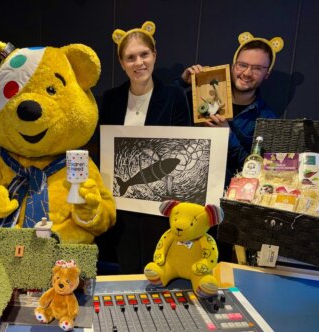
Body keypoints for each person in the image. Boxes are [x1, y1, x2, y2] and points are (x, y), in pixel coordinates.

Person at [96, 21, 192, 274]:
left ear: (154, 56)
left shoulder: (174, 96)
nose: (138, 62)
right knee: (125, 264)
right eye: (130, 57)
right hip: (121, 204)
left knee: (157, 266)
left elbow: (183, 149)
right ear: (121, 63)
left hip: (159, 206)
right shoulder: (111, 98)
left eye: (144, 55)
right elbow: (103, 147)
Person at [177, 32, 284, 186]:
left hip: (224, 196)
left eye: (257, 68)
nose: (247, 73)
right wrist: (182, 83)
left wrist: (228, 137)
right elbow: (161, 108)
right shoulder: (201, 94)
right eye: (242, 65)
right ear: (234, 66)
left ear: (267, 74)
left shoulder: (268, 120)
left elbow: (257, 174)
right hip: (183, 183)